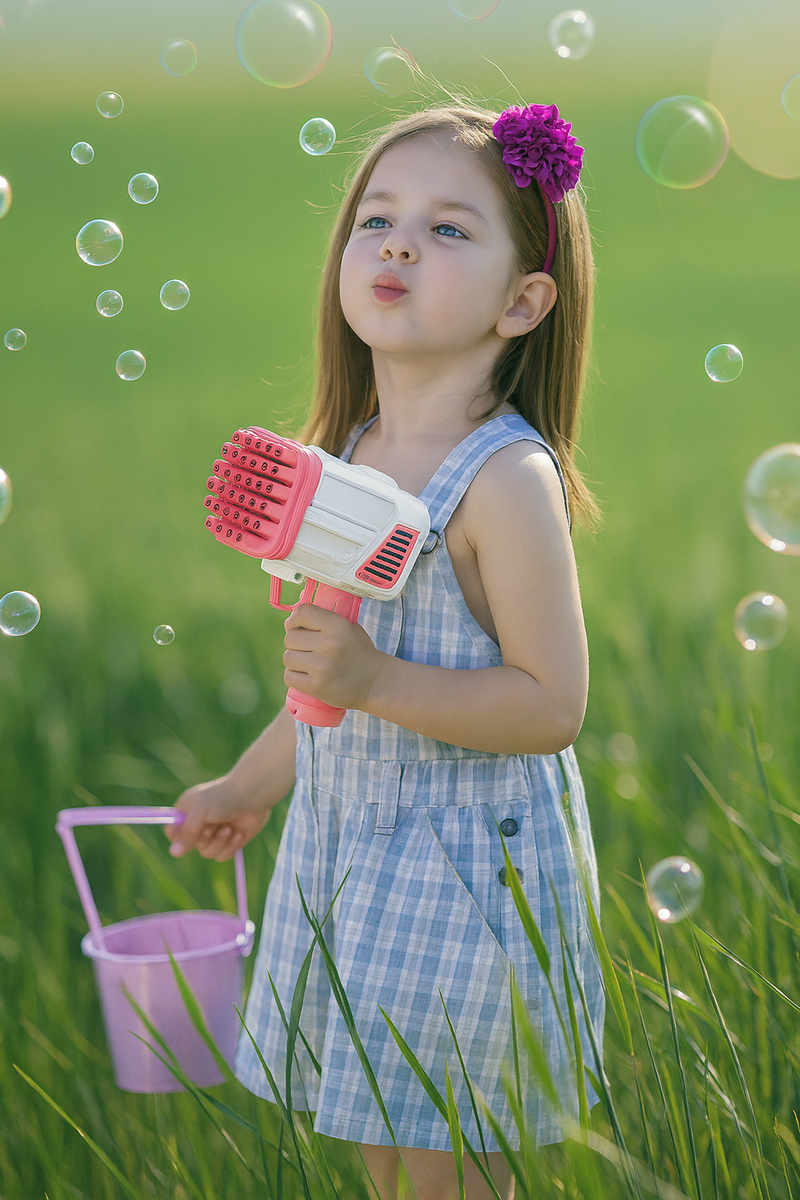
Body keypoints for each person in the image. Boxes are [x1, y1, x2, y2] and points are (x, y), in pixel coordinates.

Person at [166, 101, 605, 1200]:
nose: (399, 245)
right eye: (378, 220)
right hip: (352, 857)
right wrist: (249, 785)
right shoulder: (347, 455)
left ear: (522, 302)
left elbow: (550, 705)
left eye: (447, 228)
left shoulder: (505, 480)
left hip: (467, 877)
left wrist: (375, 679)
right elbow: (327, 687)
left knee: (451, 1163)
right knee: (383, 1153)